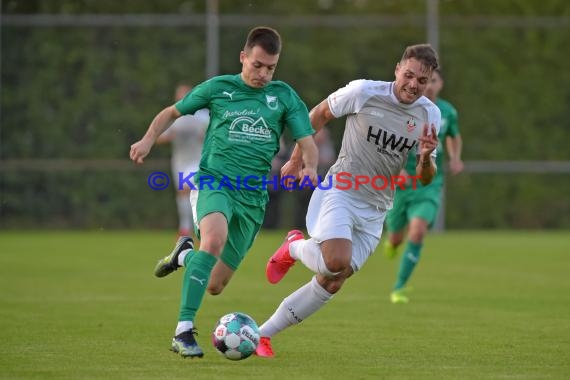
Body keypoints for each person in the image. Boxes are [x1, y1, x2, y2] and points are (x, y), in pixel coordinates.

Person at [129, 26, 318, 359]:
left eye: (270, 68)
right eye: (257, 65)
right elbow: (171, 113)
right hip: (214, 181)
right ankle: (183, 331)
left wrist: (309, 167)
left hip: (253, 198)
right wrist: (146, 140)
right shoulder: (219, 88)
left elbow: (307, 142)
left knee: (215, 284)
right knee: (212, 241)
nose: (263, 74)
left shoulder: (284, 97)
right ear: (243, 58)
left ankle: (183, 257)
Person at [254, 44, 441, 358]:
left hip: (377, 205)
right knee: (335, 261)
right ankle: (295, 246)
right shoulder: (364, 92)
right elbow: (318, 114)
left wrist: (424, 158)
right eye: (408, 75)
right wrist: (299, 157)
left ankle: (262, 335)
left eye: (422, 81)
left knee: (334, 281)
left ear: (430, 81)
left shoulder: (429, 114)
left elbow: (426, 177)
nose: (413, 85)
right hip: (341, 188)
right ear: (397, 69)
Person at [384, 68, 463, 304]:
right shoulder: (405, 109)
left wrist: (456, 157)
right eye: (425, 81)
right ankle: (393, 242)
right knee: (397, 238)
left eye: (433, 81)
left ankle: (398, 287)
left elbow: (454, 135)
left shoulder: (447, 112)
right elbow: (386, 144)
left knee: (417, 232)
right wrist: (395, 174)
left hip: (429, 184)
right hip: (401, 185)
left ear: (440, 84)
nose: (429, 85)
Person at [156, 83, 209, 238]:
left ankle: (196, 228)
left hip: (198, 160)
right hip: (179, 161)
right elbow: (157, 137)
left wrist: (203, 136)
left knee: (189, 188)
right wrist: (168, 136)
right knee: (182, 194)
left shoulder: (203, 116)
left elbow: (215, 136)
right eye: (180, 95)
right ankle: (186, 228)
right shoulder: (172, 116)